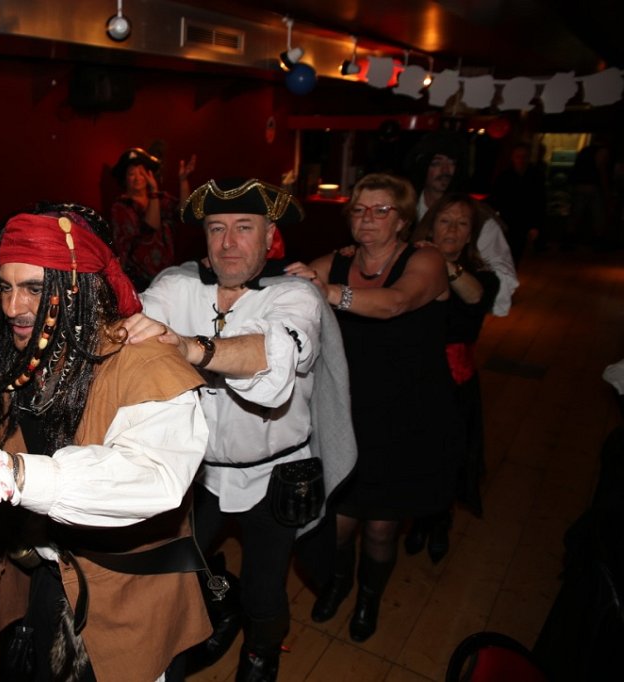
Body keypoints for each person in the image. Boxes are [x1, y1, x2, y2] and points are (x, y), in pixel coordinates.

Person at [0, 204, 212, 681]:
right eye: (5, 288)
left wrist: (3, 472)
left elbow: (152, 477)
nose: (14, 307)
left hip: (128, 595)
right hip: (38, 576)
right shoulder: (4, 351)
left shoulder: (145, 361)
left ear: (78, 288)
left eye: (34, 288)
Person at [123, 178, 357, 681]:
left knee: (265, 588)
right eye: (217, 228)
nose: (229, 242)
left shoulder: (295, 294)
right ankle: (210, 616)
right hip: (197, 473)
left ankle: (260, 656)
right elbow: (132, 325)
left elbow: (274, 354)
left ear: (270, 235)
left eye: (244, 228)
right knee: (174, 570)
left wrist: (190, 347)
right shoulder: (177, 285)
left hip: (275, 474)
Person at [286, 173, 458, 642]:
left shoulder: (425, 260)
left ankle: (369, 598)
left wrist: (327, 292)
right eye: (359, 210)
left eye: (382, 210)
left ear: (403, 220)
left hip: (408, 414)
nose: (368, 219)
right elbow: (287, 288)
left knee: (382, 528)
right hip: (349, 413)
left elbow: (395, 303)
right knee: (339, 523)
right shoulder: (335, 261)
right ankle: (339, 583)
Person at [404, 194, 500, 561]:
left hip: (455, 382)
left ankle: (439, 520)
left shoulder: (483, 277)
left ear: (470, 235)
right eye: (445, 221)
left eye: (462, 224)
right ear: (431, 226)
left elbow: (475, 298)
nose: (453, 230)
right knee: (415, 452)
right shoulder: (409, 265)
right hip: (413, 376)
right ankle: (419, 518)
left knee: (449, 455)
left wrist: (443, 262)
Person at [409, 133, 519, 316]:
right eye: (436, 163)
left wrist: (465, 283)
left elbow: (503, 278)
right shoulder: (405, 212)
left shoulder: (480, 219)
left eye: (452, 163)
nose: (445, 170)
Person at [108, 146, 197, 290]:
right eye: (132, 174)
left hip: (166, 274)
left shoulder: (162, 199)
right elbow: (151, 227)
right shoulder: (121, 207)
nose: (137, 178)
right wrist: (154, 192)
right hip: (137, 279)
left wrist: (183, 180)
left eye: (141, 173)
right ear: (124, 178)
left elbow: (184, 211)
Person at [488, 143, 547, 265]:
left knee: (516, 254)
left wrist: (535, 225)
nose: (521, 160)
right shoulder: (504, 176)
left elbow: (539, 202)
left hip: (524, 222)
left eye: (524, 156)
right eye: (518, 156)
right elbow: (495, 200)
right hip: (506, 221)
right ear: (513, 158)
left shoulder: (535, 176)